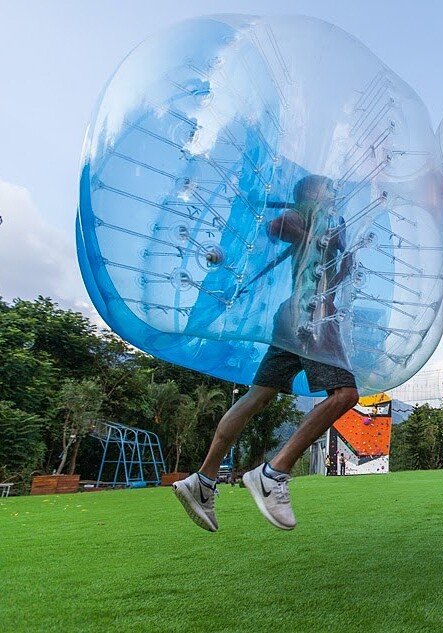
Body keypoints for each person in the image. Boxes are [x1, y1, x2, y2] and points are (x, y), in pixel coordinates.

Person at [173, 174, 359, 532]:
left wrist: (337, 259)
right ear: (311, 192)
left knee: (257, 397)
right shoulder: (309, 211)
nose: (334, 193)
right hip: (310, 316)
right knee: (345, 394)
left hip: (290, 316)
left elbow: (325, 274)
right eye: (328, 188)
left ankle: (203, 480)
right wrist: (310, 235)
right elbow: (278, 226)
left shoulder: (328, 224)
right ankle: (274, 473)